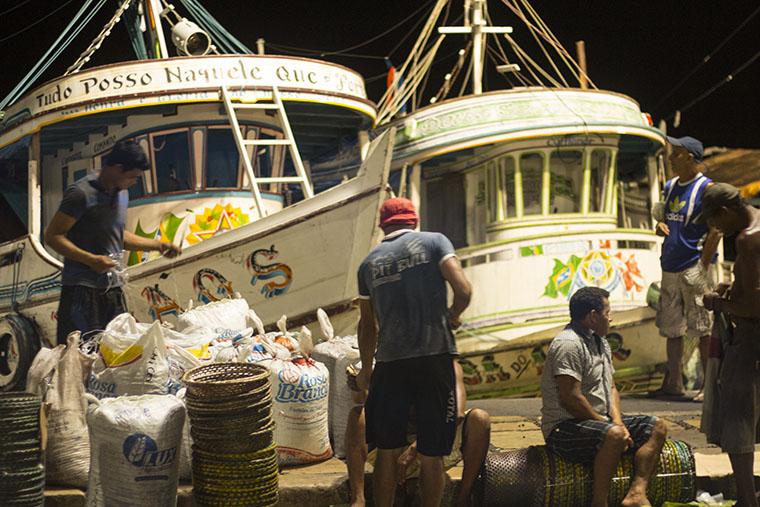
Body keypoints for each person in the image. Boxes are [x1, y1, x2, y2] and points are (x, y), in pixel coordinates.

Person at [355, 197, 473, 507]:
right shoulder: (435, 242)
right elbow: (464, 290)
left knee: (387, 449)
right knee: (433, 453)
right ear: (413, 220)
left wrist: (367, 370)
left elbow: (367, 327)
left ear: (383, 226)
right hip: (434, 358)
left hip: (391, 364)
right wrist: (454, 315)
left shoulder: (368, 264)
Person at [541, 287, 668, 507]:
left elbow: (611, 389)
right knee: (614, 435)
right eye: (608, 312)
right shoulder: (568, 344)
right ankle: (599, 502)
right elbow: (570, 397)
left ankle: (637, 493)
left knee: (657, 426)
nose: (611, 318)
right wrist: (610, 427)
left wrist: (618, 422)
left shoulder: (602, 343)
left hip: (600, 422)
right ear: (592, 316)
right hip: (564, 428)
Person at [45, 140, 181, 345]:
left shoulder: (122, 194)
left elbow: (120, 235)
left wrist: (159, 246)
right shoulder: (80, 194)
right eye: (132, 177)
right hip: (82, 291)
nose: (134, 182)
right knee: (80, 354)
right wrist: (90, 260)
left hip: (113, 289)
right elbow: (53, 236)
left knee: (118, 351)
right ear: (117, 169)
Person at [345, 360, 491, 507]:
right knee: (358, 416)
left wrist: (417, 445)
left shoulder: (449, 366)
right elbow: (361, 400)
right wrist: (358, 384)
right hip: (392, 447)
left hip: (435, 445)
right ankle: (358, 499)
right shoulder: (389, 364)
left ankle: (463, 498)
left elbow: (456, 415)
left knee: (479, 419)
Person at [699, 183, 760, 507]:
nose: (717, 231)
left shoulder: (748, 240)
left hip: (751, 338)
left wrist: (717, 303)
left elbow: (753, 308)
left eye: (716, 224)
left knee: (737, 416)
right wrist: (734, 287)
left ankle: (747, 499)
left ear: (724, 213)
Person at [652, 136, 721, 400]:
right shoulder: (669, 187)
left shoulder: (707, 188)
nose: (670, 158)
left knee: (702, 328)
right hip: (669, 264)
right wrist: (658, 227)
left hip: (694, 267)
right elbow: (661, 218)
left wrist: (703, 264)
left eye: (676, 154)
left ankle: (709, 386)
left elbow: (716, 229)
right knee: (671, 328)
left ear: (690, 157)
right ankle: (675, 382)